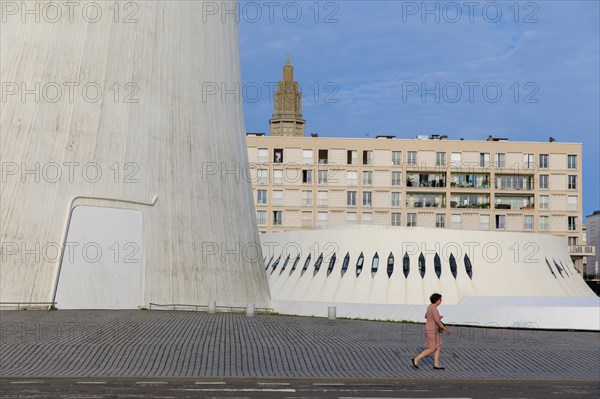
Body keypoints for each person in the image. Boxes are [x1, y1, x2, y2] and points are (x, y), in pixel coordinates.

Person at [411, 293, 450, 370]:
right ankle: (416, 359)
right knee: (432, 348)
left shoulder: (430, 307)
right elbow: (437, 321)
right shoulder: (434, 309)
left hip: (434, 330)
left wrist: (436, 317)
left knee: (438, 346)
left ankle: (436, 364)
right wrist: (445, 329)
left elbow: (426, 316)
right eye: (440, 299)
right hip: (431, 330)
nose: (441, 301)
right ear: (436, 300)